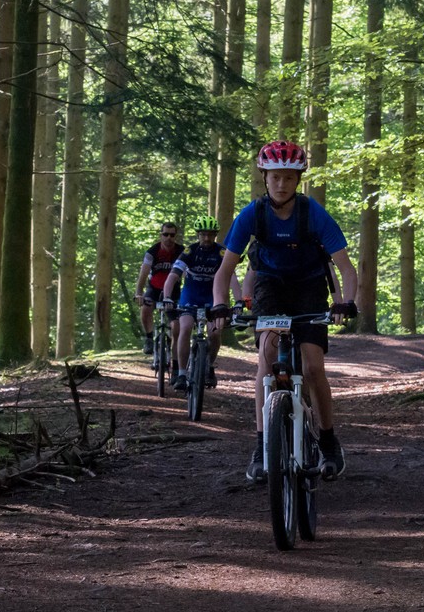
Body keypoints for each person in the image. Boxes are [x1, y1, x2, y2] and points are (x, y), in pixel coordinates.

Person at [212, 140, 358, 483]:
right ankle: (262, 446)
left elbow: (346, 268)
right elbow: (224, 271)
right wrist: (220, 305)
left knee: (313, 366)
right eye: (275, 177)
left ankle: (328, 441)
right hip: (270, 285)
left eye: (289, 178)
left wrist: (345, 302)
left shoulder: (313, 213)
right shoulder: (252, 214)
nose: (281, 184)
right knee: (266, 357)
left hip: (309, 286)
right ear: (265, 177)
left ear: (298, 180)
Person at [162, 214, 243, 392]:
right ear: (198, 234)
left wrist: (239, 301)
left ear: (215, 235)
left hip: (213, 298)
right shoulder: (189, 252)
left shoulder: (221, 253)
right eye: (203, 234)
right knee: (185, 328)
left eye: (210, 234)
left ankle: (209, 366)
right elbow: (173, 276)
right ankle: (182, 374)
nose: (207, 238)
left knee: (215, 332)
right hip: (190, 297)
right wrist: (167, 297)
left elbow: (232, 279)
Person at [134, 223, 184, 382]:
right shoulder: (152, 252)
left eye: (172, 235)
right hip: (154, 289)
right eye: (165, 234)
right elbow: (143, 274)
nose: (168, 238)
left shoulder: (182, 251)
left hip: (174, 291)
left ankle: (176, 368)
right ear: (160, 235)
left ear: (176, 236)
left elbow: (188, 273)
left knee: (177, 327)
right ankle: (149, 338)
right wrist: (138, 293)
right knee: (145, 308)